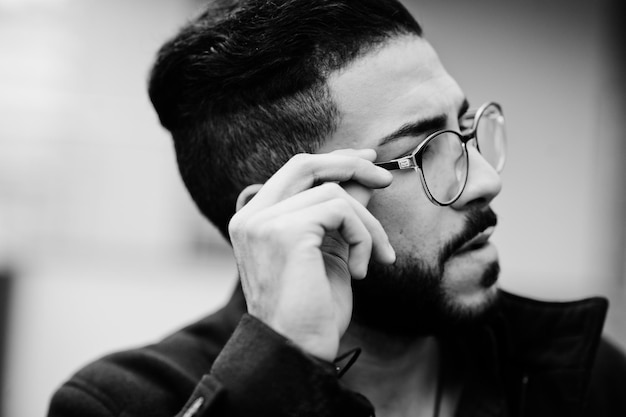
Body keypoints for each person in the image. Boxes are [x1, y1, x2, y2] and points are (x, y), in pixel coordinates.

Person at [48, 0, 626, 416]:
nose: (484, 180)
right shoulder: (123, 402)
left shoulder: (583, 375)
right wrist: (276, 370)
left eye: (465, 130)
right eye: (420, 153)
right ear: (286, 211)